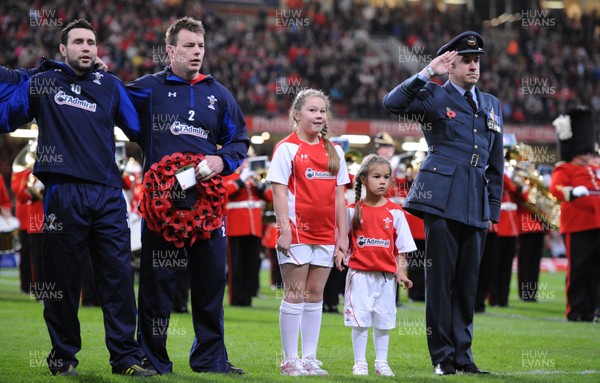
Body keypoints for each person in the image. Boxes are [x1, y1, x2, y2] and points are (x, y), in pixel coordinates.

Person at [0, 19, 154, 376]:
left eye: (91, 42)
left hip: (107, 195)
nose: (86, 47)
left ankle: (125, 358)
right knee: (62, 282)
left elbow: (142, 130)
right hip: (62, 194)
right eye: (79, 42)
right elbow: (8, 116)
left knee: (117, 279)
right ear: (63, 50)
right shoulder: (43, 82)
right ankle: (63, 358)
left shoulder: (111, 86)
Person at [127, 17, 249, 374]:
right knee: (157, 286)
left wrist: (221, 158)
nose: (197, 53)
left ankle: (210, 359)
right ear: (170, 50)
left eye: (200, 46)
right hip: (163, 204)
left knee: (211, 283)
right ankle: (152, 358)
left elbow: (239, 139)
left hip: (206, 205)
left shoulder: (218, 93)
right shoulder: (148, 88)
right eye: (189, 46)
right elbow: (111, 104)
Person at [382, 31, 503, 375]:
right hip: (442, 198)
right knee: (440, 283)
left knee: (467, 285)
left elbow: (496, 164)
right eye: (466, 60)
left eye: (476, 60)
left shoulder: (491, 104)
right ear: (450, 66)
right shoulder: (435, 95)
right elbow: (392, 104)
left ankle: (463, 357)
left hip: (476, 200)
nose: (473, 65)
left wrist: (491, 208)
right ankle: (442, 357)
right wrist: (426, 73)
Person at [266, 88, 350, 376]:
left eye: (322, 110)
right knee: (295, 293)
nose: (318, 115)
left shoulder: (334, 150)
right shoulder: (286, 148)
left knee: (316, 295)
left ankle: (310, 358)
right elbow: (278, 192)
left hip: (327, 234)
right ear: (297, 114)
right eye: (312, 110)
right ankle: (289, 360)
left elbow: (340, 196)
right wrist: (285, 230)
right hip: (298, 233)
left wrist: (343, 237)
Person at [334, 154, 416, 377]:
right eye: (376, 176)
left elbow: (402, 248)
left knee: (384, 321)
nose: (382, 181)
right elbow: (340, 241)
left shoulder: (395, 212)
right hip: (359, 276)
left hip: (385, 278)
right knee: (360, 321)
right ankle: (360, 363)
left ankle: (382, 362)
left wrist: (401, 272)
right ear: (363, 179)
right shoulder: (352, 210)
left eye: (386, 177)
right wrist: (340, 254)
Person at [549, 107, 600, 322]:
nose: (587, 155)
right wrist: (572, 193)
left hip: (597, 225)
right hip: (577, 225)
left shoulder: (594, 169)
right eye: (584, 151)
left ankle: (591, 309)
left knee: (595, 271)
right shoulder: (564, 169)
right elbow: (555, 190)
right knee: (578, 269)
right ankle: (576, 310)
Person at [223, 153, 273, 307]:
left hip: (254, 228)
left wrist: (259, 184)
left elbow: (271, 197)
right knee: (236, 265)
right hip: (236, 226)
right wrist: (241, 179)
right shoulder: (229, 175)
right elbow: (226, 192)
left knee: (251, 265)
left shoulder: (255, 178)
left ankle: (247, 297)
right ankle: (236, 298)